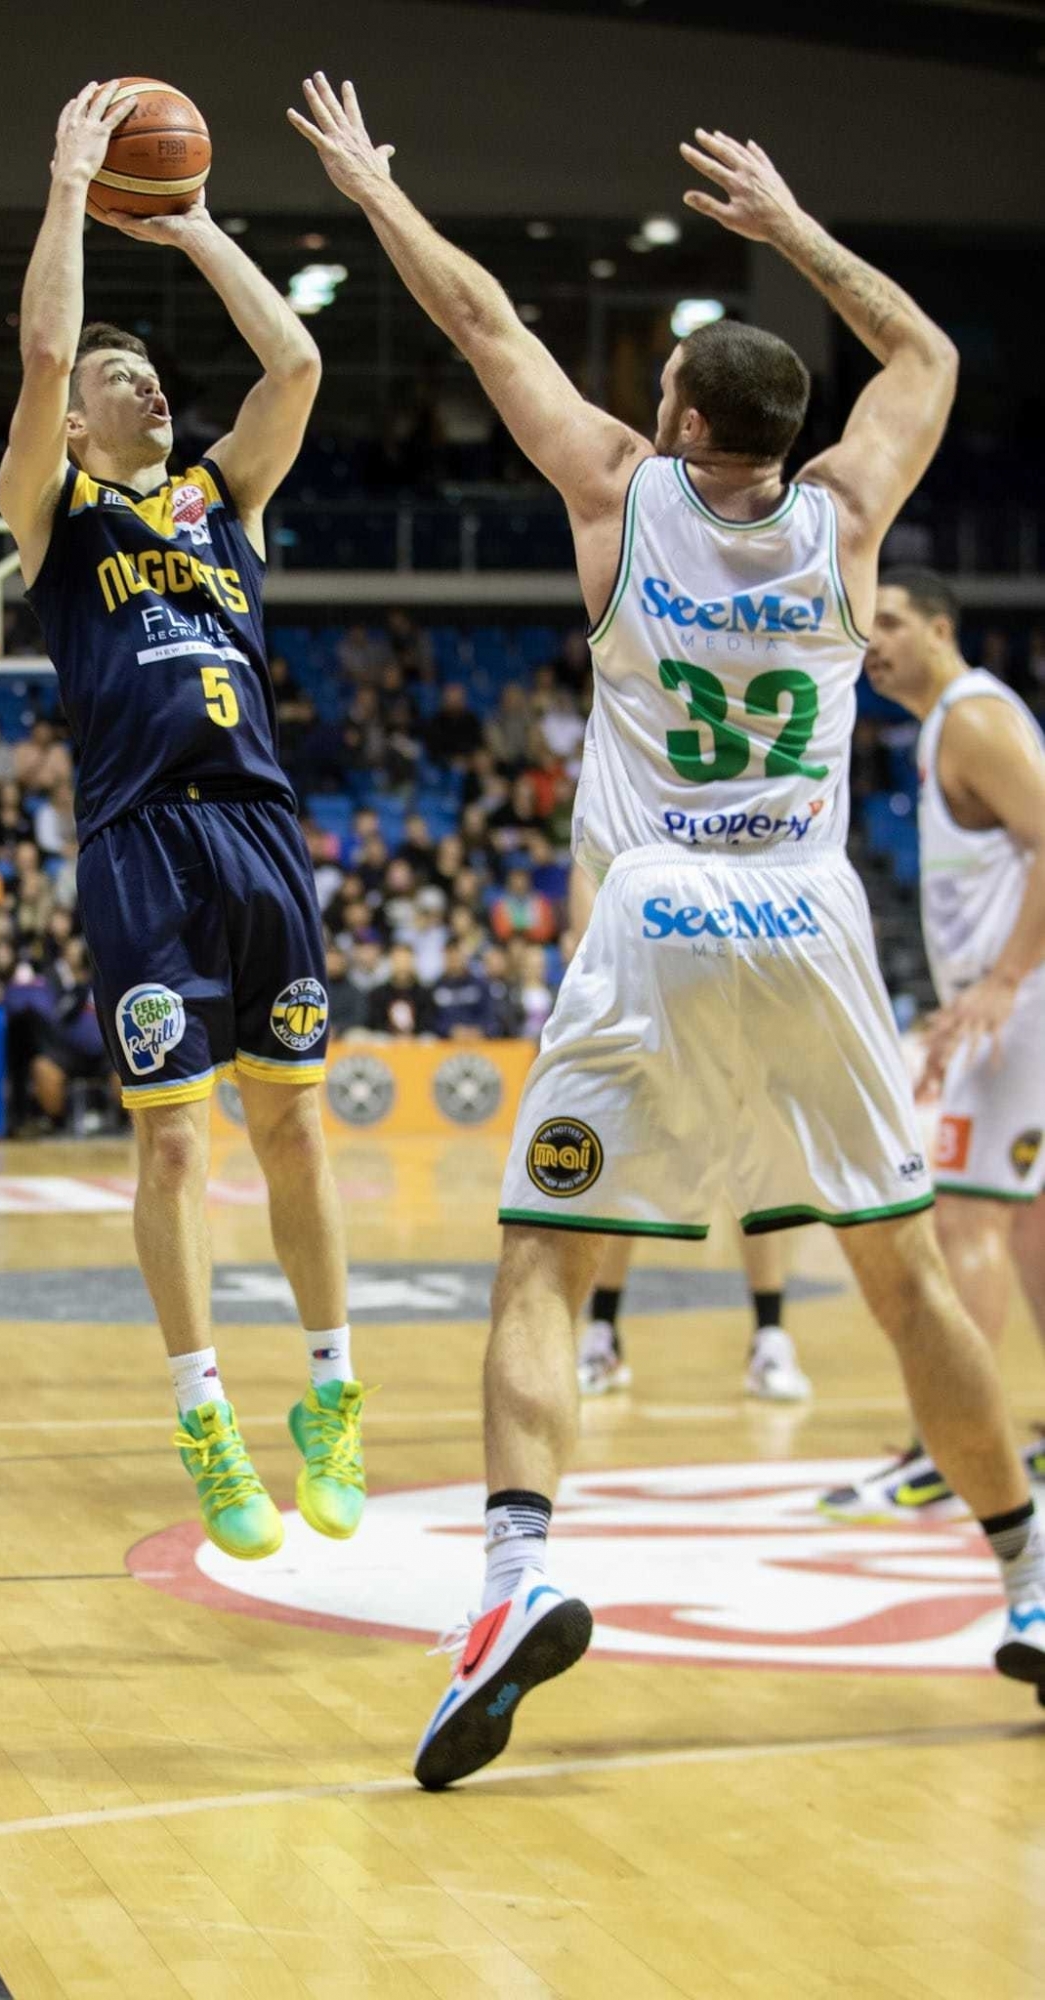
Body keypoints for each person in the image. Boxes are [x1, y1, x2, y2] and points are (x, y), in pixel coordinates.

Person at [292, 77, 1045, 1786]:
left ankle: (511, 1580)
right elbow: (921, 356)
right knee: (905, 1268)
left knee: (545, 1260)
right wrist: (792, 231)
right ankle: (1028, 1576)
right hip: (812, 918)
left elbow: (478, 321)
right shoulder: (846, 525)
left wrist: (371, 190)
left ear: (680, 410)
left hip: (653, 919)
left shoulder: (621, 499)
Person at [0, 81, 366, 1562]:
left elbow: (294, 359)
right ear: (77, 423)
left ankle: (331, 1400)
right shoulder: (55, 515)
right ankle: (207, 1419)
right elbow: (35, 353)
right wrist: (72, 184)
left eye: (151, 375)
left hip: (260, 835)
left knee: (296, 1126)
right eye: (118, 378)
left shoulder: (226, 501)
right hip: (139, 844)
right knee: (170, 1148)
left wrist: (200, 224)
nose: (143, 386)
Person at [823, 571, 1045, 1518]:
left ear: (941, 627)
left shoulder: (972, 719)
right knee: (1028, 1227)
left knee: (964, 1220)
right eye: (863, 626)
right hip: (1006, 1004)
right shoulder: (944, 726)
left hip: (1024, 1004)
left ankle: (955, 1454)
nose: (871, 640)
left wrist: (997, 983)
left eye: (891, 621)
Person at [565, 862, 811, 1401]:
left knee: (756, 1168)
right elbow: (586, 866)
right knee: (624, 1168)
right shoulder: (628, 795)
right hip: (646, 1000)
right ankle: (603, 1335)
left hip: (734, 991)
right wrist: (599, 970)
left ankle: (769, 1337)